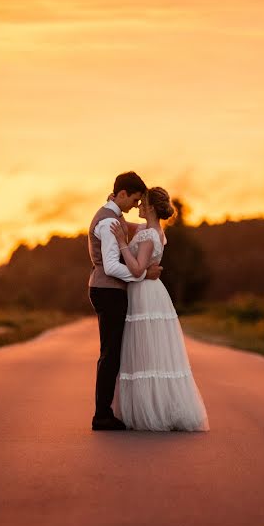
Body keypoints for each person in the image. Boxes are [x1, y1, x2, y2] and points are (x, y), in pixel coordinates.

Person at [109, 187, 209, 431]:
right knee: (152, 350)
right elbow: (129, 224)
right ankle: (159, 405)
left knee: (145, 349)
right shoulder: (155, 232)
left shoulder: (147, 236)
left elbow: (137, 269)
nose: (139, 206)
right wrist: (114, 206)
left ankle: (153, 411)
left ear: (151, 207)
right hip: (154, 292)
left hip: (143, 291)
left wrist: (122, 244)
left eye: (142, 203)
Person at [88, 172, 162, 431]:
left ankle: (104, 412)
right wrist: (140, 274)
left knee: (112, 353)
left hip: (109, 290)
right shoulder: (108, 222)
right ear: (121, 194)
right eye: (134, 200)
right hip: (107, 290)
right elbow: (110, 266)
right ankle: (102, 415)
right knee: (110, 355)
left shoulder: (114, 215)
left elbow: (142, 229)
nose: (135, 206)